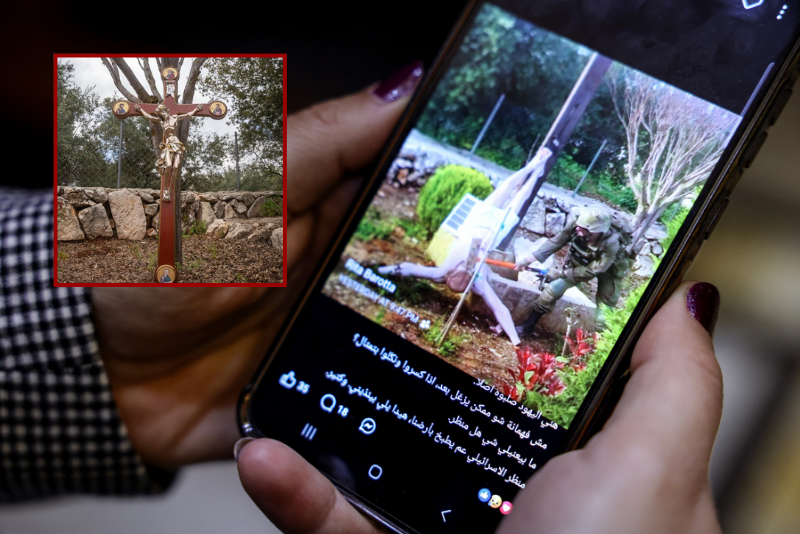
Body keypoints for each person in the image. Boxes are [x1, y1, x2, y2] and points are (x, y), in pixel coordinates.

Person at [6, 62, 724, 534]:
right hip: (456, 262)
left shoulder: (507, 231)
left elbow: (503, 231)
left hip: (467, 260)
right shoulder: (473, 228)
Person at [377, 146, 553, 347]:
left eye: (463, 268)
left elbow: (411, 269)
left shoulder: (443, 273)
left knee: (506, 187)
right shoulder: (477, 281)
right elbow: (499, 308)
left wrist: (385, 270)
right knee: (520, 197)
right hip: (494, 228)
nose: (464, 267)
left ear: (451, 273)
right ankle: (536, 172)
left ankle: (532, 166)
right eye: (466, 270)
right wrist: (516, 341)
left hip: (477, 223)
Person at [514, 206, 631, 336]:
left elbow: (595, 270)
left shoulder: (611, 244)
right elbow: (555, 242)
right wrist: (527, 260)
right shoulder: (576, 226)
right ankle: (527, 328)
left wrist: (561, 273)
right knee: (552, 290)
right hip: (581, 262)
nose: (578, 230)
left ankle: (597, 345)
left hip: (609, 270)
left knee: (604, 311)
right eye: (578, 226)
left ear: (597, 231)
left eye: (584, 229)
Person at [134, 103, 203, 201]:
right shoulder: (161, 122)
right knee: (169, 165)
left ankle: (170, 190)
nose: (162, 114)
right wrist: (140, 109)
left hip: (177, 145)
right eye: (160, 113)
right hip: (168, 145)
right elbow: (148, 116)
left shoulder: (175, 118)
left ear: (166, 110)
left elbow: (188, 115)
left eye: (162, 111)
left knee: (175, 167)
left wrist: (196, 109)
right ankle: (166, 189)